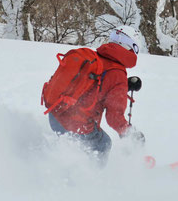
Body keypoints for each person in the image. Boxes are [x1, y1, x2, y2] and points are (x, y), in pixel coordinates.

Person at [47, 25, 145, 166]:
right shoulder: (117, 74)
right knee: (103, 144)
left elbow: (98, 83)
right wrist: (130, 133)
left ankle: (62, 165)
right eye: (135, 49)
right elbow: (113, 118)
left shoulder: (97, 57)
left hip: (56, 113)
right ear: (130, 46)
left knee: (84, 145)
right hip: (74, 123)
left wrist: (124, 86)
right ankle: (92, 180)